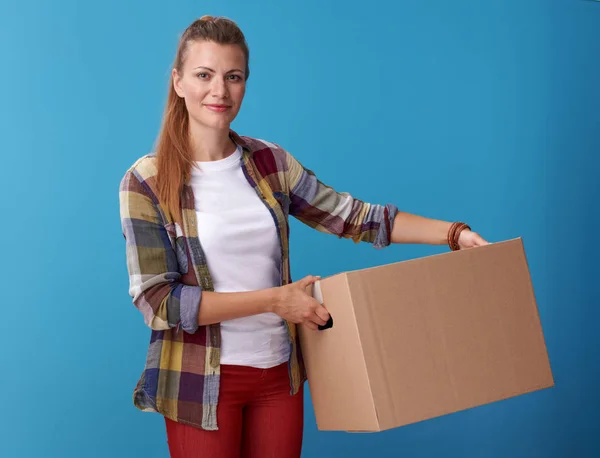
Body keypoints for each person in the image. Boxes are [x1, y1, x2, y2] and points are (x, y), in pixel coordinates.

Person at [118, 15, 489, 458]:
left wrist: (453, 234)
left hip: (279, 376)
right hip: (201, 384)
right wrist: (275, 301)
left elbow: (354, 217)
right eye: (204, 75)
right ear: (178, 82)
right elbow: (160, 302)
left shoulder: (269, 161)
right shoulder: (147, 180)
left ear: (245, 84)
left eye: (233, 77)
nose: (219, 91)